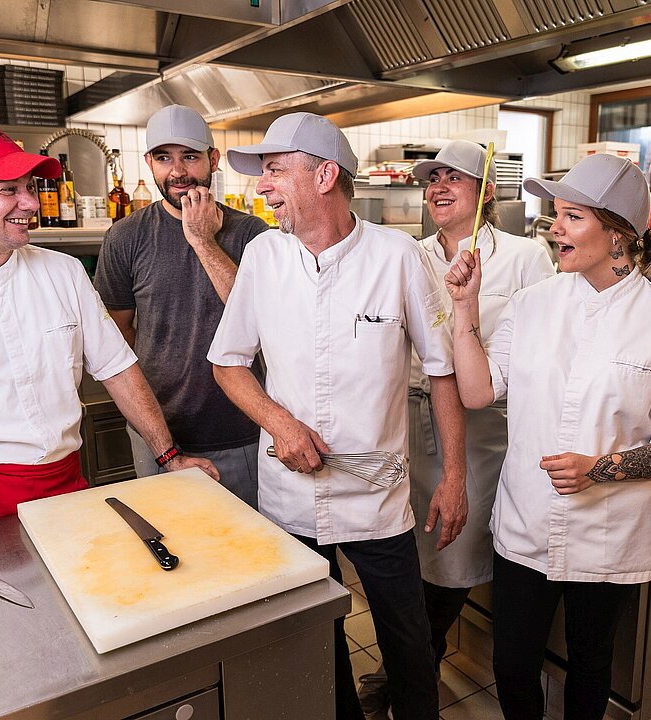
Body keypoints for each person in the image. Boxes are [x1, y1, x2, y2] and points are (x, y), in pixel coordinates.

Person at [207, 112, 468, 720]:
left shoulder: (397, 256)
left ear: (324, 175)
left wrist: (454, 478)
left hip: (376, 503)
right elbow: (228, 364)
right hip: (289, 499)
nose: (261, 187)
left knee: (409, 648)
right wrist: (280, 423)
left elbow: (443, 371)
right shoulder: (264, 258)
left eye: (274, 171)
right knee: (317, 647)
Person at [445, 153, 651, 720]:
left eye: (571, 217)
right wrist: (464, 308)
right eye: (555, 215)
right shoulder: (531, 304)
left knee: (591, 664)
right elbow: (475, 392)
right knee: (513, 665)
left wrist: (601, 469)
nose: (554, 228)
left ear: (617, 232)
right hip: (525, 521)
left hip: (609, 534)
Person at [0, 122, 218, 537]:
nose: (30, 202)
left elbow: (118, 369)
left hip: (63, 488)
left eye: (30, 186)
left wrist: (169, 456)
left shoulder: (63, 273)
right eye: (8, 190)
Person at [356, 139, 554, 715]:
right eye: (432, 178)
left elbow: (539, 344)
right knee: (410, 545)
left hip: (483, 422)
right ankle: (413, 666)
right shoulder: (408, 255)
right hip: (407, 414)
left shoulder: (522, 257)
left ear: (486, 191)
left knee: (454, 551)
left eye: (454, 177)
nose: (438, 187)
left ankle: (416, 663)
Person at [95, 105, 267, 508]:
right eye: (163, 158)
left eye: (189, 156)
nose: (177, 171)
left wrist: (203, 241)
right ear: (149, 163)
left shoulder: (254, 234)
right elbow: (117, 337)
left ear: (212, 159)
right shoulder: (125, 238)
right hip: (160, 438)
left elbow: (262, 324)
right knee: (173, 554)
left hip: (245, 432)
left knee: (254, 556)